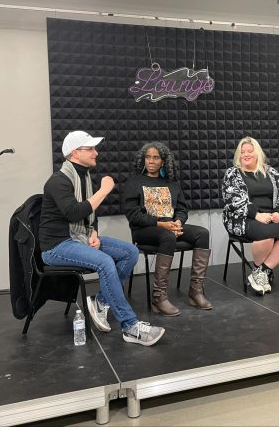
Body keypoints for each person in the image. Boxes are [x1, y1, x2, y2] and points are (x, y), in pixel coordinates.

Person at [39, 130, 165, 346]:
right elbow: (73, 212)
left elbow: (90, 215)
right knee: (105, 262)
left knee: (130, 252)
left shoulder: (85, 177)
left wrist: (94, 232)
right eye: (90, 149)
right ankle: (130, 326)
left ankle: (100, 302)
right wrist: (104, 191)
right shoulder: (57, 181)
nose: (96, 153)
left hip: (80, 238)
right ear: (74, 153)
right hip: (57, 246)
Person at [124, 141, 212, 316]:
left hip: (171, 227)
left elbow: (181, 208)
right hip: (145, 230)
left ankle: (196, 291)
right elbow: (133, 215)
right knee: (168, 236)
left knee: (202, 234)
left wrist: (178, 222)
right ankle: (159, 297)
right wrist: (161, 224)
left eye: (155, 157)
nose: (150, 161)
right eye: (147, 157)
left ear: (163, 161)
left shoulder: (171, 183)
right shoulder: (134, 182)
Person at [222, 137, 279, 295]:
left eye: (250, 151)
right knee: (266, 235)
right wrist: (257, 215)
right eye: (242, 152)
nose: (246, 154)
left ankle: (260, 272)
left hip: (270, 216)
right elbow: (232, 199)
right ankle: (262, 273)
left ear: (257, 153)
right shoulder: (232, 173)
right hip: (244, 217)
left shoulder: (270, 171)